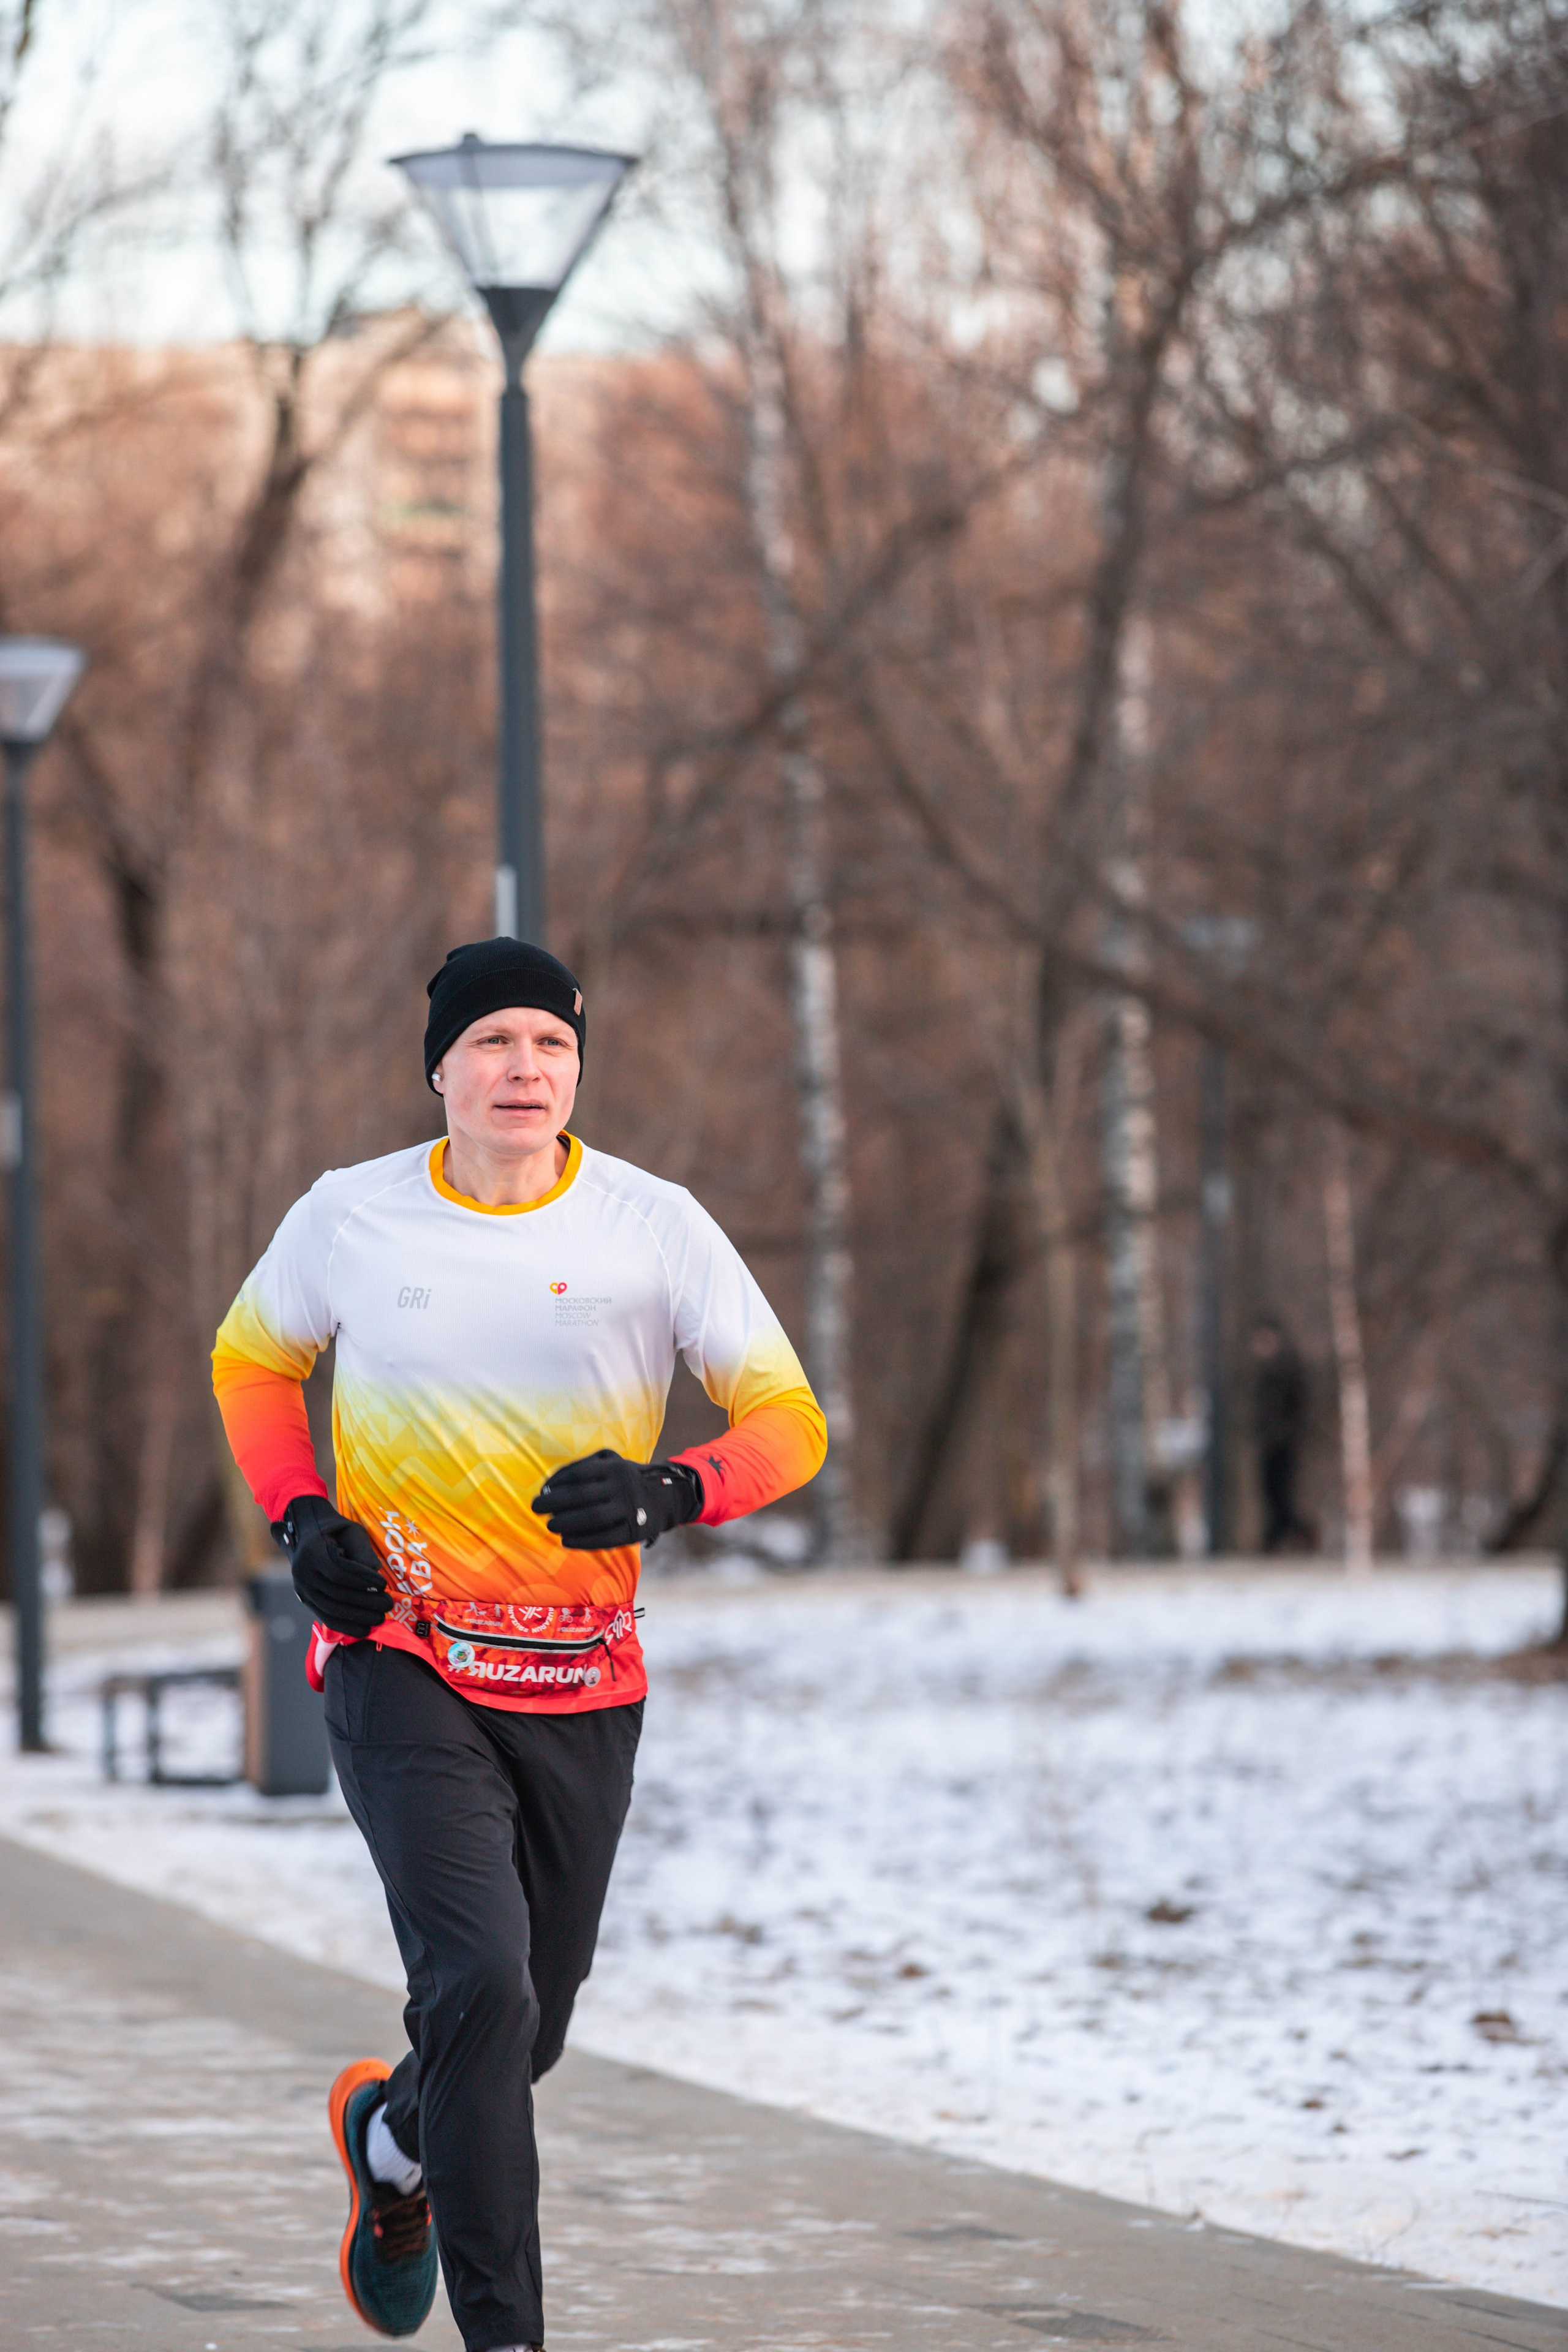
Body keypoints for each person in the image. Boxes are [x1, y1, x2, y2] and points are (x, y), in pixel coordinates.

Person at [213, 938, 827, 2351]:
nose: (523, 1068)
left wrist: (673, 1489)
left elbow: (788, 1420)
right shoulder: (350, 1217)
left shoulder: (652, 1224)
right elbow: (252, 1358)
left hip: (581, 1676)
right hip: (400, 1656)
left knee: (522, 2026)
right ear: (439, 1067)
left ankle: (395, 2139)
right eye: (491, 1041)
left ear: (577, 1067)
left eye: (549, 1044)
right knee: (480, 1984)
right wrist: (302, 1515)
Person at [1250, 1313, 1313, 1553]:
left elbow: (1298, 1407)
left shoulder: (1287, 1369)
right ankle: (1283, 1537)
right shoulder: (1264, 1372)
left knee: (1281, 1492)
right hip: (1268, 1442)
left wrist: (1284, 1432)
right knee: (1271, 1493)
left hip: (1284, 1443)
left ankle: (1283, 1538)